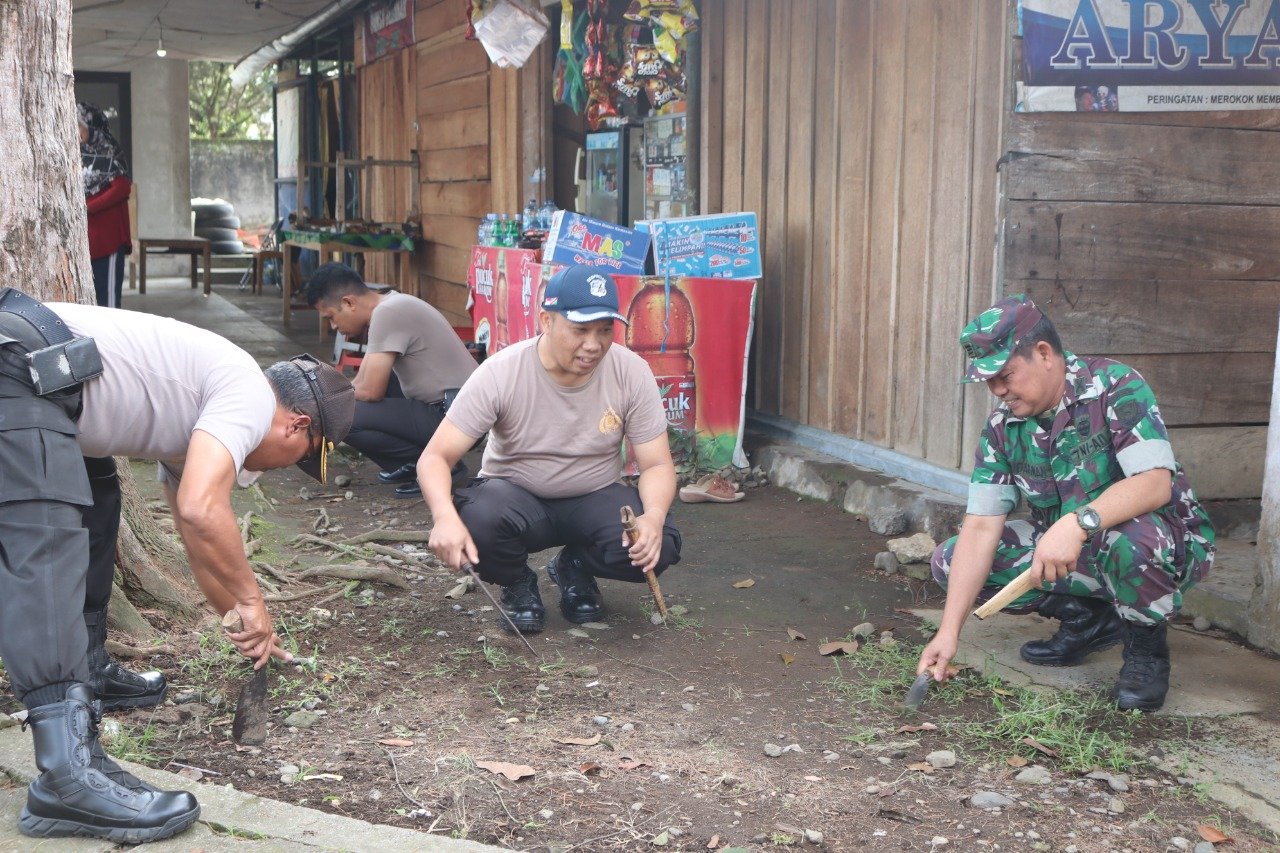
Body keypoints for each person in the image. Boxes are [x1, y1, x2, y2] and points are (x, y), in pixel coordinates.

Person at [0, 288, 354, 843]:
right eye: (301, 461)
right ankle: (66, 776)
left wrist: (237, 618)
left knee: (96, 504)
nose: (285, 472)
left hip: (39, 373)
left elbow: (193, 530)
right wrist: (256, 600)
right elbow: (200, 507)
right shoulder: (247, 396)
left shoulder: (206, 411)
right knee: (47, 543)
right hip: (17, 366)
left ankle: (87, 672)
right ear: (297, 426)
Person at [916, 295, 1215, 712]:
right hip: (1072, 549)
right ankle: (1090, 619)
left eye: (1005, 375)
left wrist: (1077, 524)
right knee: (950, 559)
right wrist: (949, 633)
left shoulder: (1114, 386)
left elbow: (1154, 485)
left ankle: (1145, 654)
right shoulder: (1003, 428)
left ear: (1043, 354)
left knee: (1131, 541)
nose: (998, 390)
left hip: (1163, 546)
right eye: (989, 381)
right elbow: (981, 526)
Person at [420, 265, 682, 633]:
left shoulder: (630, 371)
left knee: (659, 546)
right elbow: (436, 457)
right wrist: (443, 517)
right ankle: (517, 582)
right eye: (580, 330)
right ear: (546, 320)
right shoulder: (501, 372)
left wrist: (652, 518)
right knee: (476, 520)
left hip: (594, 496)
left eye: (605, 330)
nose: (594, 344)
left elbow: (656, 464)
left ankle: (575, 567)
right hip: (516, 498)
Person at [305, 262, 477, 497]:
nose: (334, 326)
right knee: (354, 398)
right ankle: (422, 461)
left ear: (348, 302)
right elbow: (361, 380)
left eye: (331, 318)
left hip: (456, 418)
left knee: (342, 415)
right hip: (453, 411)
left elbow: (370, 390)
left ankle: (439, 466)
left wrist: (321, 404)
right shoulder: (391, 304)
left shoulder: (388, 313)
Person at [78, 103, 132, 309]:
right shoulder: (78, 153)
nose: (76, 132)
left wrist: (87, 207)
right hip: (87, 239)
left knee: (107, 303)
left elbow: (122, 187)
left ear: (91, 126)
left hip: (107, 238)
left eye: (80, 127)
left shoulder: (108, 150)